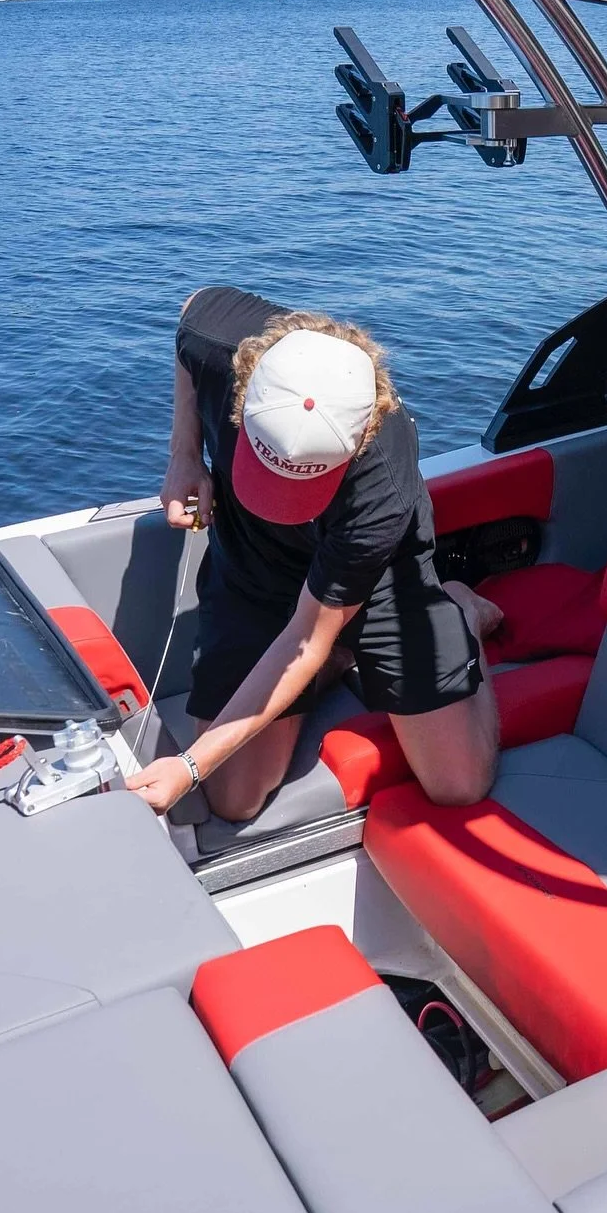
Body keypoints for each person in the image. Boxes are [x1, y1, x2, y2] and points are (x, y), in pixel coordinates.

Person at [127, 286, 499, 820]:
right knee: (232, 797)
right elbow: (190, 312)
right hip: (253, 559)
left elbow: (305, 638)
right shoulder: (219, 338)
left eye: (301, 484)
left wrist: (186, 764)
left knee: (459, 783)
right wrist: (184, 455)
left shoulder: (382, 490)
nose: (285, 504)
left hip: (376, 577)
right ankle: (341, 659)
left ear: (361, 434)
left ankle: (458, 608)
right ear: (246, 384)